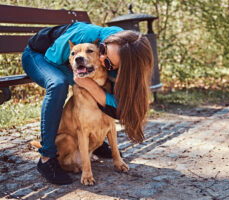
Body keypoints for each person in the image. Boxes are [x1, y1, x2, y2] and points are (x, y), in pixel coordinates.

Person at [22, 22, 154, 185]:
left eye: (109, 64)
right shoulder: (83, 36)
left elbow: (120, 107)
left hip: (85, 63)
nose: (101, 58)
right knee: (58, 84)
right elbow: (52, 60)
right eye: (103, 50)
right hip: (40, 56)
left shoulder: (124, 54)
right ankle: (47, 157)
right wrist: (86, 80)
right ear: (107, 42)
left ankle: (95, 141)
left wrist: (95, 85)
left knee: (101, 89)